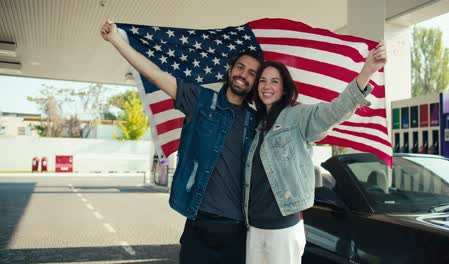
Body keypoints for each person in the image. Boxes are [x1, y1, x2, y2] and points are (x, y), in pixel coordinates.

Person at [100, 20, 262, 264]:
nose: (243, 75)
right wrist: (115, 39)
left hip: (237, 230)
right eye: (240, 67)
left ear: (254, 83)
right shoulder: (200, 100)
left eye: (252, 73)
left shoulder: (256, 121)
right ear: (230, 70)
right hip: (199, 222)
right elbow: (155, 74)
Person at [243, 42, 387, 264]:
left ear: (284, 88)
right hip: (254, 226)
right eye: (262, 80)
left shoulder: (298, 116)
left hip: (283, 229)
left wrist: (367, 72)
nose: (267, 86)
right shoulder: (256, 125)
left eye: (274, 81)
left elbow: (334, 111)